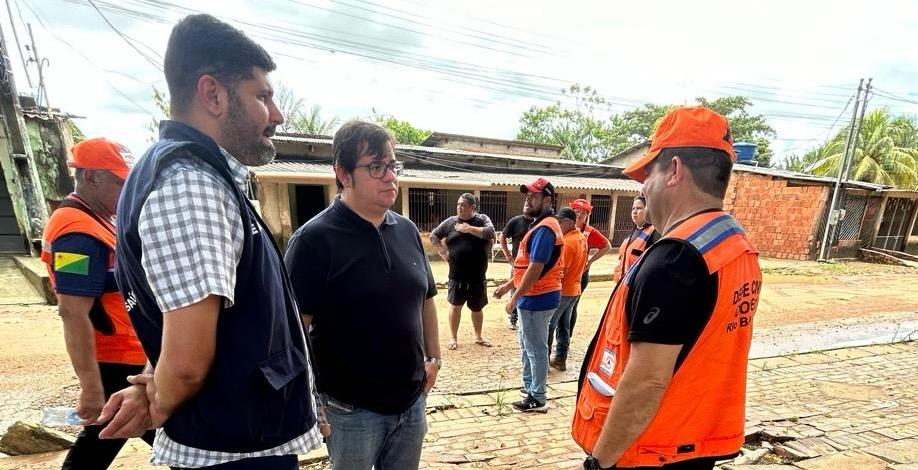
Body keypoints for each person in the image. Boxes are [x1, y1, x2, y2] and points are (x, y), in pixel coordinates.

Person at [100, 14, 320, 469]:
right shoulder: (191, 186)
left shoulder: (197, 176)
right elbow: (186, 362)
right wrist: (158, 397)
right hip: (234, 449)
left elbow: (176, 315)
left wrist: (154, 381)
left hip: (242, 438)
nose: (276, 115)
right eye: (262, 96)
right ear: (213, 94)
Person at [572, 107, 762, 470]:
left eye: (649, 173)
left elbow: (646, 381)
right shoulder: (736, 246)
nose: (644, 187)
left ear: (674, 170)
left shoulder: (675, 260)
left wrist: (600, 462)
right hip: (694, 440)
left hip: (650, 450)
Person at [284, 120, 441, 470]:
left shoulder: (407, 230)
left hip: (411, 401)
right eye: (375, 167)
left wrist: (434, 358)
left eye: (392, 165)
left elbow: (426, 298)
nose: (390, 177)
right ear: (343, 173)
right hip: (350, 410)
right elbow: (293, 330)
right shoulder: (314, 240)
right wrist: (310, 397)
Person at [40, 138, 155, 469]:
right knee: (169, 436)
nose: (127, 190)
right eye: (120, 182)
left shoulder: (102, 218)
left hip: (128, 354)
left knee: (107, 440)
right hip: (115, 362)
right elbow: (72, 313)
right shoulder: (76, 233)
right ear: (91, 177)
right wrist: (91, 389)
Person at [494, 177, 563, 412]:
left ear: (547, 200)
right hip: (532, 297)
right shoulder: (539, 225)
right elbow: (525, 267)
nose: (528, 200)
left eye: (534, 196)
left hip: (538, 298)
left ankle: (538, 396)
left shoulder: (545, 228)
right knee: (527, 345)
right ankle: (530, 388)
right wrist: (507, 287)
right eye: (527, 196)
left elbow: (535, 269)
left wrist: (515, 297)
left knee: (535, 348)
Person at [430, 193, 496, 350]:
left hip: (478, 276)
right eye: (458, 204)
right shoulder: (451, 222)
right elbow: (434, 235)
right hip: (457, 275)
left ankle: (478, 336)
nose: (459, 207)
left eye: (463, 205)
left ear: (473, 207)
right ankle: (453, 337)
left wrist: (469, 229)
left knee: (477, 307)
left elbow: (490, 233)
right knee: (455, 306)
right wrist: (443, 253)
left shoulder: (482, 219)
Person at [547, 207, 588, 372]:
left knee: (550, 325)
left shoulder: (568, 243)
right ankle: (560, 359)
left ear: (570, 223)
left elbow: (561, 270)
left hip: (564, 290)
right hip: (574, 289)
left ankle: (544, 362)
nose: (558, 224)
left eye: (561, 222)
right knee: (564, 326)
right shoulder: (581, 238)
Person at [568, 198, 612, 337]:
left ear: (587, 215)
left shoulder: (589, 232)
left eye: (583, 212)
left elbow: (606, 246)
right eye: (576, 211)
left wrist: (590, 261)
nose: (579, 214)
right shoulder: (563, 227)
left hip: (580, 275)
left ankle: (565, 341)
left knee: (572, 306)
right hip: (564, 273)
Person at [613, 196, 661, 283]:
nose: (635, 212)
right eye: (633, 209)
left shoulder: (654, 233)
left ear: (648, 210)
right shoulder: (632, 233)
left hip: (637, 285)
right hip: (623, 284)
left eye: (639, 208)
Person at [499, 213, 532, 330]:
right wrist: (508, 256)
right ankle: (514, 318)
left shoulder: (539, 223)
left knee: (530, 291)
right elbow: (502, 237)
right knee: (515, 291)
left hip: (534, 264)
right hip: (518, 265)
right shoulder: (516, 221)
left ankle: (526, 319)